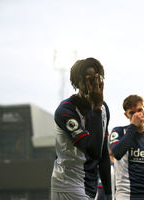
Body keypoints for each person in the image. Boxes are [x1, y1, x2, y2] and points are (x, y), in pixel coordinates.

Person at [51, 57, 112, 200]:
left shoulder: (103, 109)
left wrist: (109, 193)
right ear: (76, 81)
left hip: (90, 186)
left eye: (96, 78)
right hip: (67, 184)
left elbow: (103, 153)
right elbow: (93, 151)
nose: (92, 84)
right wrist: (96, 108)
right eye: (87, 79)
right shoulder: (66, 111)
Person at [109, 95, 144, 199]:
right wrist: (133, 126)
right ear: (126, 115)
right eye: (132, 113)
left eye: (139, 110)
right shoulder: (119, 132)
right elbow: (117, 153)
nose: (137, 115)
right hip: (127, 195)